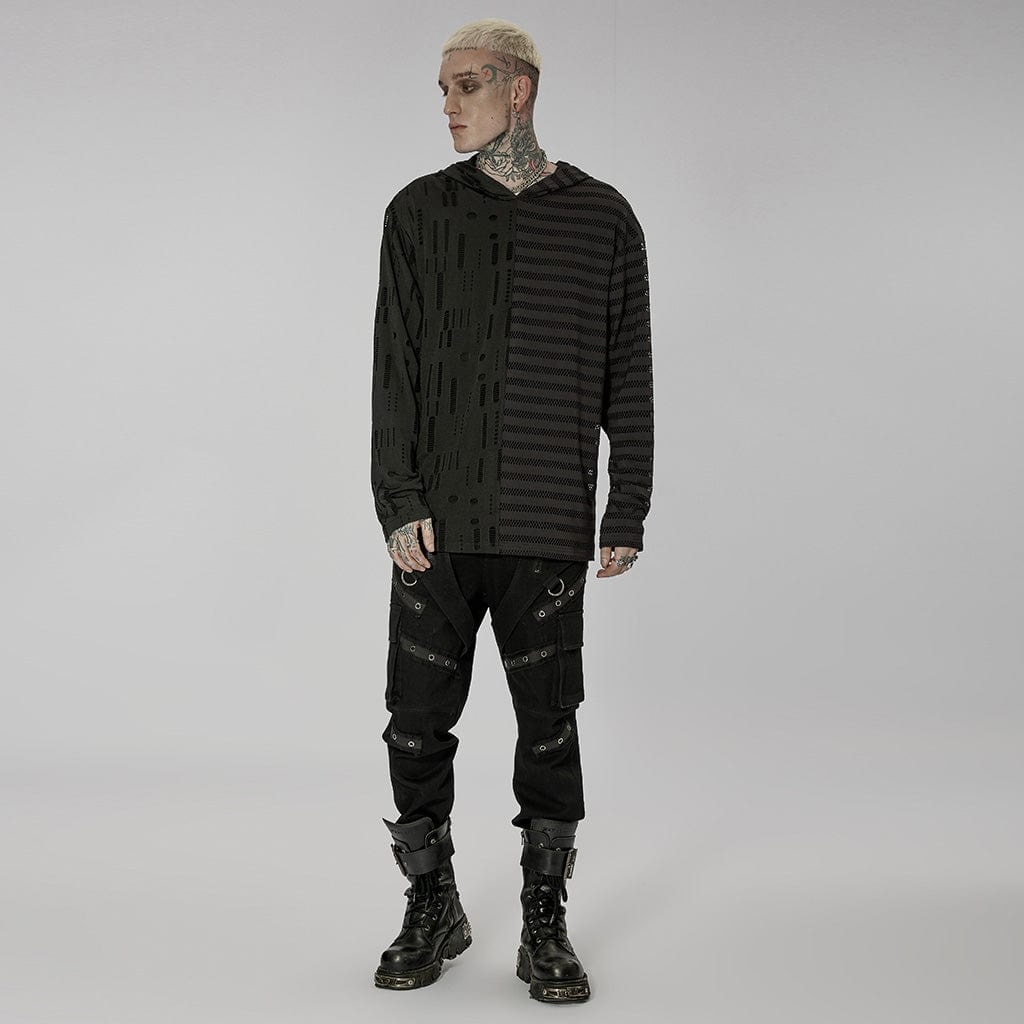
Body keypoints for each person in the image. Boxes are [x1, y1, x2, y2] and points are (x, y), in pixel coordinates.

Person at [369, 17, 654, 1003]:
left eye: (468, 84)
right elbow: (394, 366)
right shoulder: (419, 211)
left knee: (549, 728)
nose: (449, 104)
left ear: (518, 90)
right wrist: (396, 498)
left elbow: (627, 371)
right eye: (443, 88)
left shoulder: (603, 218)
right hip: (437, 528)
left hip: (546, 522)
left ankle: (544, 918)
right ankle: (432, 901)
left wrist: (627, 506)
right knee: (414, 725)